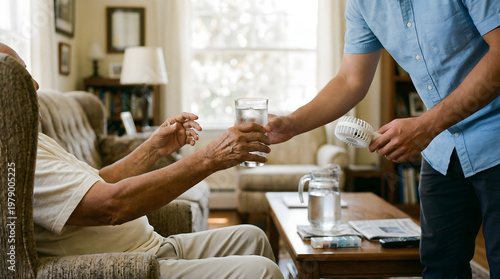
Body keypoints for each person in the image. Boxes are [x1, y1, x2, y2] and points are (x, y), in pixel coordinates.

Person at [0, 43, 284, 279]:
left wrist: (152, 149)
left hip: (155, 246)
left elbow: (99, 181)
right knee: (263, 271)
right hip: (138, 266)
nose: (34, 84)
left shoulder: (34, 141)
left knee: (253, 237)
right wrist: (211, 158)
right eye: (21, 76)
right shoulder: (14, 158)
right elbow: (112, 206)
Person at [265, 1, 500, 278]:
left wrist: (427, 125)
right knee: (440, 267)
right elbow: (350, 80)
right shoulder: (362, 4)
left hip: (493, 137)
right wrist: (292, 124)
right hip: (442, 149)